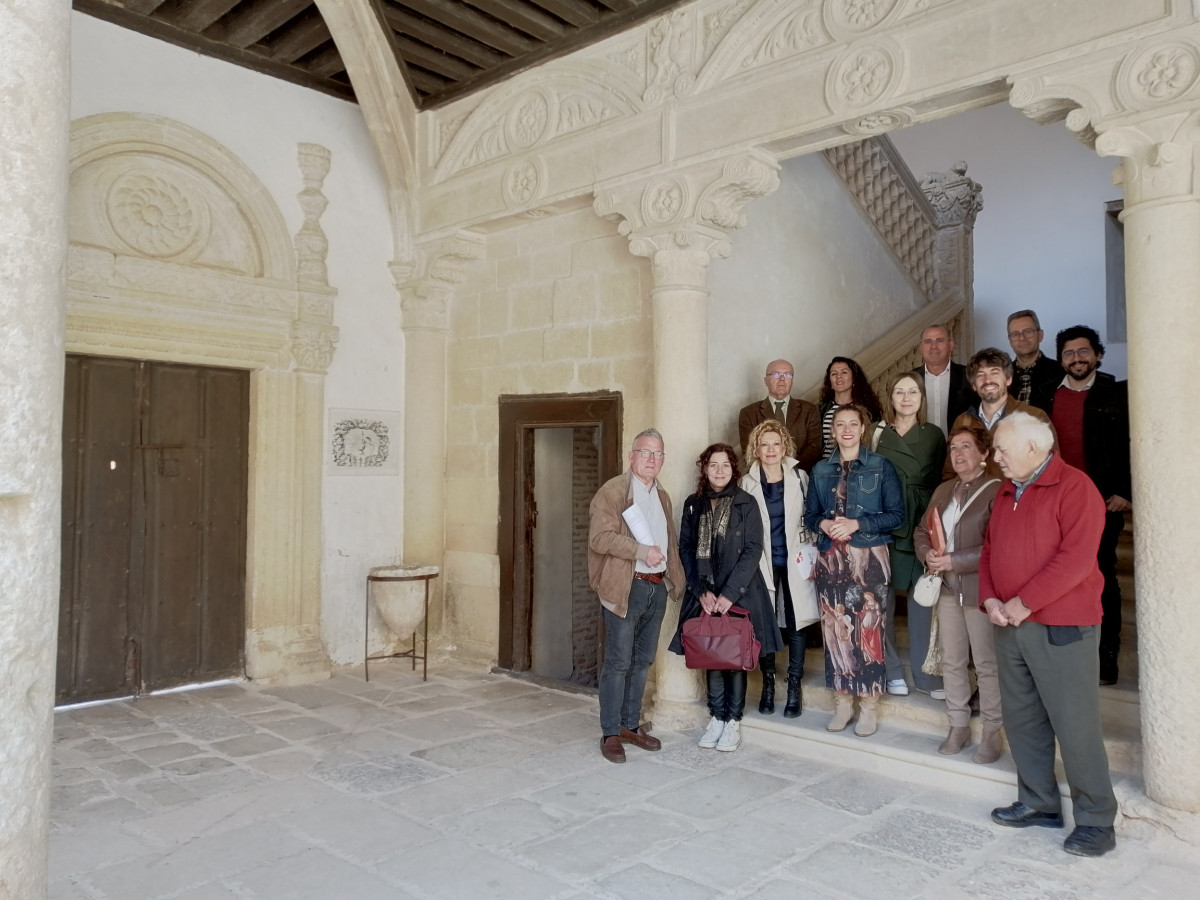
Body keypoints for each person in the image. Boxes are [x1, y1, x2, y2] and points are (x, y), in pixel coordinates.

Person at [981, 412, 1117, 858]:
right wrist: (990, 600)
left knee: (1075, 726)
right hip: (1010, 626)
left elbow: (1076, 559)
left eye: (1002, 448)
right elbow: (988, 551)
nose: (994, 456)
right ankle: (1039, 803)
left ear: (1034, 449)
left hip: (1061, 626)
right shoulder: (1005, 491)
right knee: (1022, 720)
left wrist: (1023, 602)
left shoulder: (1076, 487)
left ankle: (1097, 820)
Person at [670, 444, 782, 752]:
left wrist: (729, 595)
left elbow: (752, 549)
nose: (719, 470)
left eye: (725, 465)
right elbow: (686, 550)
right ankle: (716, 717)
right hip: (705, 591)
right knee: (711, 656)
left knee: (733, 658)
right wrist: (700, 591)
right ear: (704, 469)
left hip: (740, 591)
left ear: (733, 469)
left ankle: (732, 721)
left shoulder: (746, 502)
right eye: (713, 465)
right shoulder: (694, 504)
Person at [804, 404, 904, 737]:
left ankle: (869, 706)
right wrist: (825, 522)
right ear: (833, 431)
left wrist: (857, 523)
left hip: (869, 558)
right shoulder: (819, 470)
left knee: (869, 633)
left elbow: (896, 515)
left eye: (853, 424)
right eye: (840, 424)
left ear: (863, 429)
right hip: (830, 559)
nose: (846, 429)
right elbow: (809, 516)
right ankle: (842, 702)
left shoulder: (881, 467)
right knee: (837, 633)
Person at [1040, 325, 1131, 685]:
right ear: (1060, 358)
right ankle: (1062, 653)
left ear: (1096, 354)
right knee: (1055, 574)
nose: (1076, 359)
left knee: (1103, 576)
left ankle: (1105, 657)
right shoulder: (1047, 396)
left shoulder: (1115, 393)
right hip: (1056, 503)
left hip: (1103, 503)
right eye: (1069, 353)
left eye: (1083, 352)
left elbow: (1131, 443)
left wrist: (1125, 490)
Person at [587, 428, 685, 764]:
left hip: (655, 588)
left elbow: (669, 543)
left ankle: (630, 725)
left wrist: (676, 579)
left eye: (658, 454)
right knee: (617, 662)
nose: (652, 460)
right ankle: (611, 732)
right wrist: (640, 549)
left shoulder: (663, 496)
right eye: (645, 453)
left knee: (642, 661)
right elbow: (600, 539)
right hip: (624, 587)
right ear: (632, 456)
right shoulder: (613, 492)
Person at [914, 423, 1004, 763]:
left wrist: (955, 559)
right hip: (948, 589)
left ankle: (993, 730)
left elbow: (998, 546)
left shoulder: (997, 490)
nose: (959, 453)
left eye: (966, 447)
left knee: (986, 663)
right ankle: (958, 725)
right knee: (952, 661)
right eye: (954, 448)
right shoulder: (943, 490)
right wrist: (929, 555)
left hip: (980, 590)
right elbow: (922, 530)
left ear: (984, 453)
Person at [872, 373, 946, 698]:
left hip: (921, 523)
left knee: (922, 600)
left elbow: (944, 483)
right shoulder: (876, 435)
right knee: (882, 601)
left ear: (921, 397)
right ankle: (890, 670)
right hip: (886, 521)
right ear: (891, 398)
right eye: (899, 391)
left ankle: (926, 674)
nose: (906, 397)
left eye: (912, 391)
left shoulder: (934, 434)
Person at [740, 420, 819, 717]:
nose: (771, 450)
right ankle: (769, 684)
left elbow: (811, 516)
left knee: (797, 620)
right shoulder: (747, 482)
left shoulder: (799, 476)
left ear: (784, 446)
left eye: (776, 444)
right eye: (764, 444)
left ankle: (794, 685)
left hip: (795, 559)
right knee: (766, 622)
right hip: (763, 561)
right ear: (756, 449)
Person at [944, 347, 1054, 478]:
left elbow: (1049, 470)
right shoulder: (962, 421)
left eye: (994, 372)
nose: (987, 380)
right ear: (973, 385)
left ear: (1008, 379)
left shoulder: (1034, 417)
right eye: (980, 375)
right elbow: (950, 471)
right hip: (973, 497)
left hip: (1016, 497)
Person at [738, 359, 823, 472]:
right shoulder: (748, 413)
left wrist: (790, 470)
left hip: (801, 476)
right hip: (764, 480)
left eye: (788, 375)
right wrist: (773, 473)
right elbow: (749, 450)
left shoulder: (809, 410)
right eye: (776, 374)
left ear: (792, 380)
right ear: (765, 381)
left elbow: (815, 448)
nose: (782, 379)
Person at [912, 324, 975, 434]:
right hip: (920, 449)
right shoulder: (910, 379)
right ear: (920, 348)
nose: (933, 346)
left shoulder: (968, 376)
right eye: (928, 341)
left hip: (958, 448)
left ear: (951, 345)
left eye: (940, 340)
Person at [818, 357, 883, 457]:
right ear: (830, 382)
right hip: (826, 468)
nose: (838, 376)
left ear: (854, 379)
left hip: (859, 466)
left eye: (844, 372)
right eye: (834, 373)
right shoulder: (820, 410)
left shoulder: (868, 409)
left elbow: (875, 440)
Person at [1006, 310, 1063, 413]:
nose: (1022, 338)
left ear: (1040, 335)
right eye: (1015, 334)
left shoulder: (1060, 372)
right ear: (1010, 341)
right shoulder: (1002, 375)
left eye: (1028, 332)